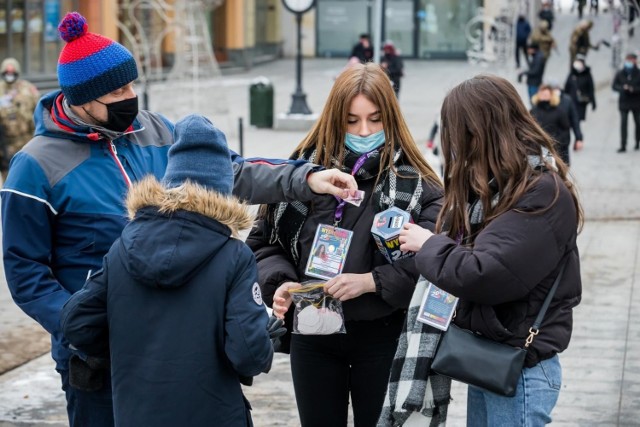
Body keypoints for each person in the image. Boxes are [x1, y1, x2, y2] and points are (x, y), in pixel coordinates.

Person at [0, 12, 357, 427]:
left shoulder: (155, 131)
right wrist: (82, 328)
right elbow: (25, 271)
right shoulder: (34, 166)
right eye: (118, 91)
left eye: (132, 84)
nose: (131, 97)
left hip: (179, 351)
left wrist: (306, 177)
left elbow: (231, 171)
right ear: (82, 97)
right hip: (97, 361)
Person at [246, 63, 446, 427]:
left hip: (383, 336)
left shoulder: (419, 186)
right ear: (334, 119)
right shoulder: (299, 176)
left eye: (375, 119)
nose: (364, 131)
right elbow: (263, 242)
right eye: (351, 121)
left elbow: (436, 261)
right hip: (312, 332)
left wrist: (372, 281)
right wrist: (281, 282)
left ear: (392, 118)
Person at [61, 114, 278, 426]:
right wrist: (266, 340)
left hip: (135, 413)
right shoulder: (234, 256)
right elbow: (248, 353)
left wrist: (128, 348)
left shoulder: (123, 246)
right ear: (222, 190)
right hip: (213, 413)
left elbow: (76, 322)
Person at [399, 74, 583, 426]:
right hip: (494, 356)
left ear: (481, 133)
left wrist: (429, 245)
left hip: (520, 369)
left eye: (458, 137)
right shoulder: (500, 189)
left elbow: (486, 272)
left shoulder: (541, 192)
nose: (454, 151)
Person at [0, 57, 39, 175]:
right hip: (7, 143)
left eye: (12, 73)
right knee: (10, 177)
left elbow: (38, 112)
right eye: (7, 73)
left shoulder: (28, 89)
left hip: (27, 140)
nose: (10, 75)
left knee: (29, 175)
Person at [531, 84, 572, 165]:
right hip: (538, 151)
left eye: (546, 95)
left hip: (557, 150)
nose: (543, 97)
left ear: (551, 96)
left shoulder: (560, 112)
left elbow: (565, 131)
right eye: (541, 94)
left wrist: (554, 143)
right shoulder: (533, 112)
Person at [612, 53, 640, 152]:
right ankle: (623, 145)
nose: (629, 62)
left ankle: (637, 142)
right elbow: (614, 86)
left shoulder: (638, 73)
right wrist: (622, 88)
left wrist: (633, 89)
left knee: (638, 123)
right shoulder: (620, 73)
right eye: (628, 60)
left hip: (636, 102)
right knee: (623, 123)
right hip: (624, 102)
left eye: (631, 60)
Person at [549, 79, 584, 152]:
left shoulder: (567, 100)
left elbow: (574, 120)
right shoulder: (545, 101)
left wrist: (579, 138)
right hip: (549, 140)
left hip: (563, 141)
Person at [564, 55, 596, 124]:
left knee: (578, 120)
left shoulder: (587, 74)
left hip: (582, 101)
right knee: (571, 119)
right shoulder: (572, 74)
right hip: (572, 100)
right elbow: (567, 87)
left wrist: (593, 102)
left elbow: (591, 88)